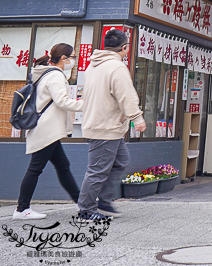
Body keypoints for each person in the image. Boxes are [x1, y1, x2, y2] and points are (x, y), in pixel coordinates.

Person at [77, 28, 146, 221]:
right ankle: (86, 210)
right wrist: (137, 118)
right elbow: (126, 95)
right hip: (105, 126)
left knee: (120, 161)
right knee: (97, 171)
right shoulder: (116, 67)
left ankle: (104, 202)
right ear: (124, 48)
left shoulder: (93, 66)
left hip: (103, 124)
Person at [14, 44, 84, 220]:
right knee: (36, 168)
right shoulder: (55, 75)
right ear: (64, 58)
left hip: (47, 129)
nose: (74, 61)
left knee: (63, 166)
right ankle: (22, 209)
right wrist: (87, 104)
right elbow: (62, 101)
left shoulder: (48, 73)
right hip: (47, 130)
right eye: (73, 57)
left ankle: (82, 204)